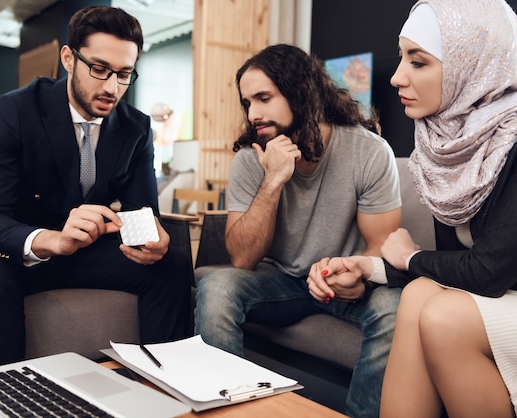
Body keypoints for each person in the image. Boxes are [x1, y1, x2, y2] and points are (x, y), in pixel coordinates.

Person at [0, 5, 192, 371]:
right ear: (68, 58)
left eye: (125, 74)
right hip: (18, 250)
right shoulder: (11, 112)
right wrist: (52, 239)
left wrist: (151, 237)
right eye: (99, 69)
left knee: (171, 261)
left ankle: (169, 386)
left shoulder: (136, 127)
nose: (112, 87)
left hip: (85, 250)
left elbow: (142, 212)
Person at [310, 1, 517, 417]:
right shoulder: (446, 142)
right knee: (423, 292)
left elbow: (489, 273)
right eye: (402, 57)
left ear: (471, 64)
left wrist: (408, 256)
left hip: (501, 290)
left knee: (444, 316)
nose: (396, 76)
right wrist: (370, 268)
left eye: (418, 62)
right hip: (495, 295)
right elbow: (453, 264)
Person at [193, 43, 403, 418]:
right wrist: (273, 180)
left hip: (345, 279)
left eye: (263, 98)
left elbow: (381, 247)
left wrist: (358, 279)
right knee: (217, 287)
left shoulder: (369, 152)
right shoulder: (250, 159)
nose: (254, 114)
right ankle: (227, 410)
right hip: (282, 282)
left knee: (396, 308)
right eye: (247, 103)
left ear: (300, 92)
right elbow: (242, 258)